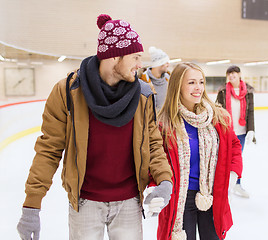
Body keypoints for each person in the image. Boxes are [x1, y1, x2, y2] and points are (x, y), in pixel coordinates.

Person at [16, 14, 173, 240]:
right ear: (114, 56)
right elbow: (49, 150)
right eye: (136, 57)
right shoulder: (68, 91)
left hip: (129, 202)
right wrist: (32, 206)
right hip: (85, 202)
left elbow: (153, 144)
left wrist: (164, 180)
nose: (141, 64)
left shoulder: (143, 94)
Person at [156, 62, 243, 240]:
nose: (198, 88)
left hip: (212, 194)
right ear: (177, 86)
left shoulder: (218, 117)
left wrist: (233, 174)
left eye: (201, 82)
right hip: (180, 198)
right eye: (191, 83)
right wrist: (155, 187)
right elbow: (156, 161)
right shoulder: (164, 124)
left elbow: (234, 146)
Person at [216, 65, 256, 198]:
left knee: (237, 160)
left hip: (242, 132)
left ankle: (237, 185)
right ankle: (224, 185)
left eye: (234, 73)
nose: (231, 76)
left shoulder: (248, 92)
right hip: (227, 132)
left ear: (239, 74)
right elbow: (218, 110)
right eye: (229, 74)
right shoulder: (223, 91)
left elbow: (250, 111)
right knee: (224, 159)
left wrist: (251, 130)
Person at [138, 46, 170, 111]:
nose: (168, 65)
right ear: (160, 63)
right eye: (166, 62)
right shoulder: (143, 80)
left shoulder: (168, 78)